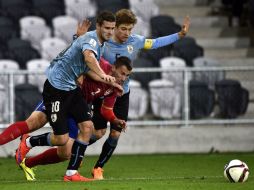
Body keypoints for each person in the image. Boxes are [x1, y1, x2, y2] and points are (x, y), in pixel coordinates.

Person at [75, 9, 190, 180]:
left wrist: (179, 35)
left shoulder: (135, 41)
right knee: (98, 133)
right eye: (123, 29)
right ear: (114, 28)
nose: (127, 33)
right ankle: (77, 151)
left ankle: (98, 167)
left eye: (130, 29)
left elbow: (156, 42)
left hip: (122, 94)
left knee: (115, 133)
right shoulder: (102, 39)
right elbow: (81, 46)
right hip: (103, 92)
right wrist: (77, 37)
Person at [15, 11, 116, 182]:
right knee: (60, 139)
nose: (110, 32)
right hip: (56, 90)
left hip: (71, 90)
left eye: (112, 28)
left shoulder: (99, 43)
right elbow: (89, 58)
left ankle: (71, 174)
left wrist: (108, 81)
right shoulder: (91, 41)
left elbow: (85, 65)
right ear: (98, 26)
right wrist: (103, 74)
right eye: (107, 28)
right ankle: (28, 142)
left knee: (87, 127)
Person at [17, 56, 132, 181]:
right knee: (34, 123)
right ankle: (29, 142)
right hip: (62, 95)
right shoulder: (100, 64)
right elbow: (82, 58)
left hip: (76, 106)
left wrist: (115, 120)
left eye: (127, 76)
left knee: (65, 152)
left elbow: (106, 110)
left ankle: (29, 162)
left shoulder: (114, 88)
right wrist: (80, 75)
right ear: (114, 67)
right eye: (122, 74)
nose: (124, 78)